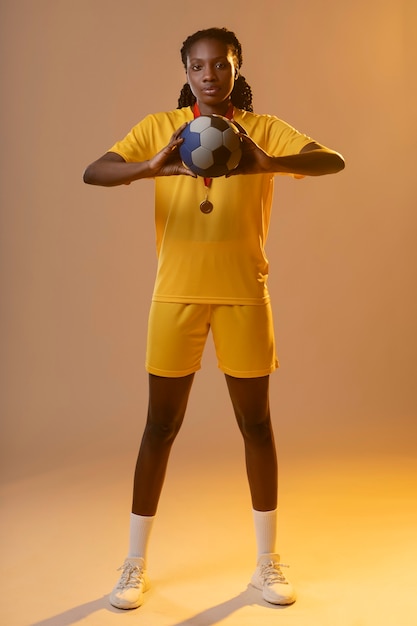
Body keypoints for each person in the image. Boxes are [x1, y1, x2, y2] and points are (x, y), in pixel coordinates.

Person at [83, 26, 344, 610]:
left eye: (220, 65)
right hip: (175, 296)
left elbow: (333, 160)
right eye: (198, 66)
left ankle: (266, 564)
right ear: (186, 72)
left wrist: (265, 164)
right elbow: (93, 172)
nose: (209, 76)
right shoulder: (159, 128)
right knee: (159, 428)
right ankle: (133, 564)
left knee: (257, 426)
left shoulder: (263, 129)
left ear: (235, 68)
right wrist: (152, 168)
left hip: (244, 294)